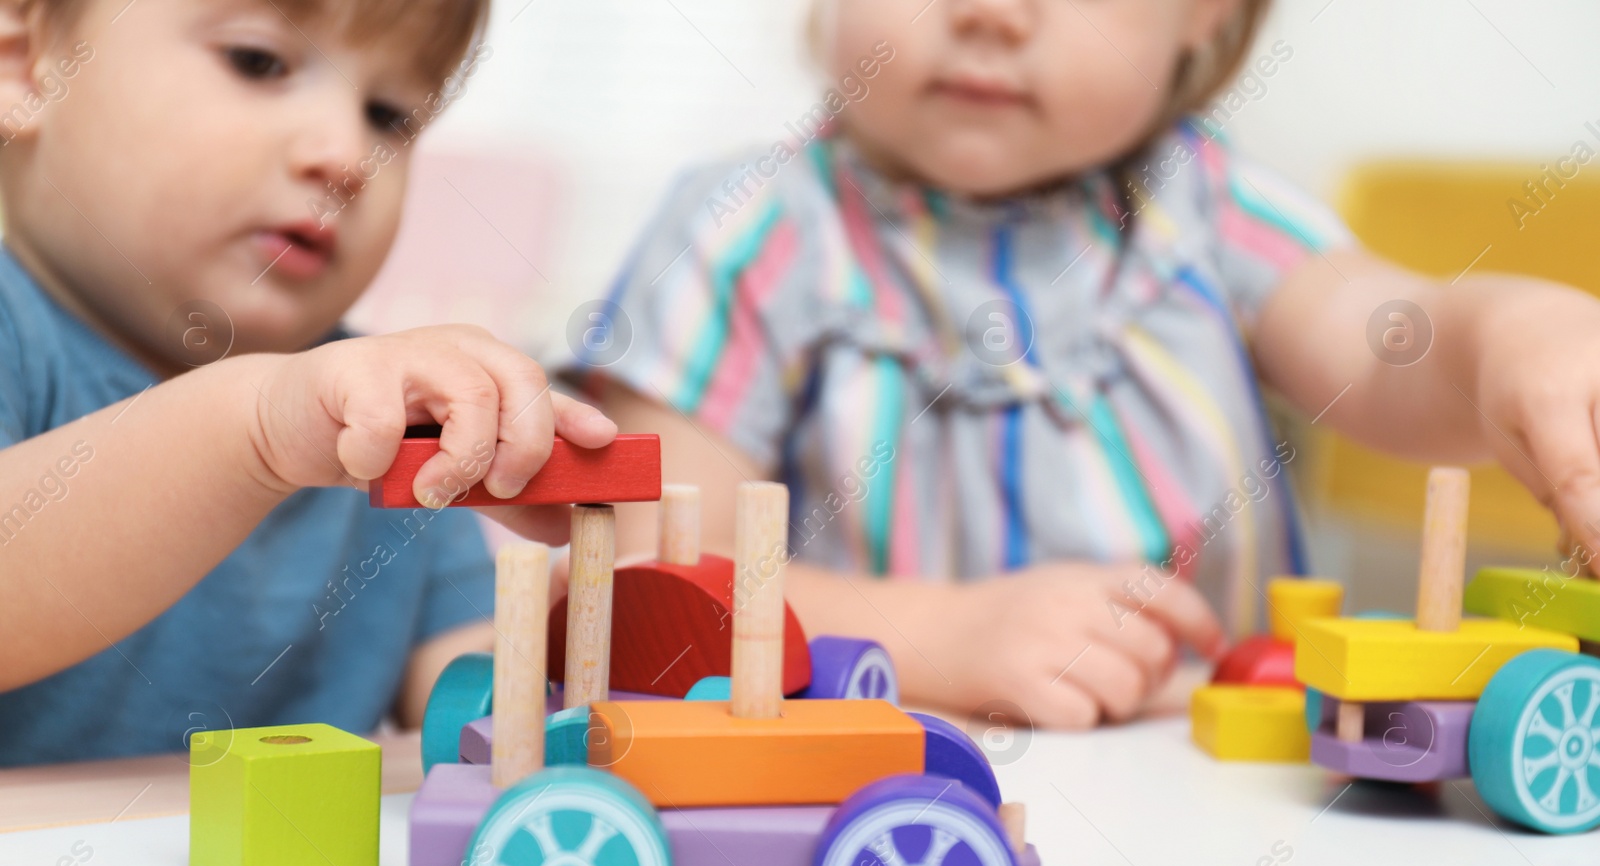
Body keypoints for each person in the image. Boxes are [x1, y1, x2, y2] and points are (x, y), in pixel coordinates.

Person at [565, 0, 1600, 728]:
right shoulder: (746, 233)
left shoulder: (1203, 205)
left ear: (1205, 11)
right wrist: (940, 638)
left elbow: (1389, 346)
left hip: (1230, 809)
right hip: (886, 803)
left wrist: (1507, 334)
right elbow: (652, 589)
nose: (990, 11)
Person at [0, 0, 614, 765]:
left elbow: (463, 692)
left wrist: (578, 640)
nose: (348, 156)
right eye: (259, 61)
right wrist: (256, 430)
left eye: (389, 115)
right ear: (25, 65)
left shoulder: (387, 407)